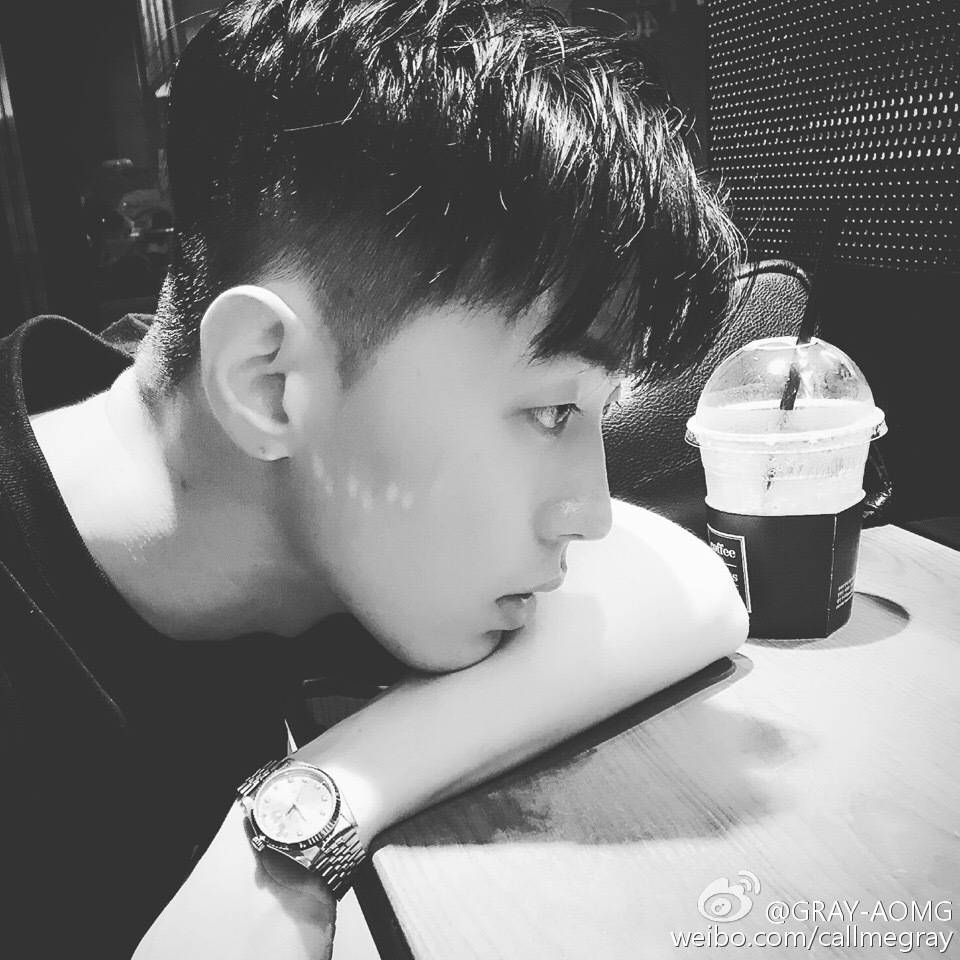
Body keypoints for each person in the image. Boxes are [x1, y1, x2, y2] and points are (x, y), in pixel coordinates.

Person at [0, 1, 748, 957]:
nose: (592, 513)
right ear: (269, 384)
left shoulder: (296, 487)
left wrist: (308, 813)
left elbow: (690, 591)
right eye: (553, 410)